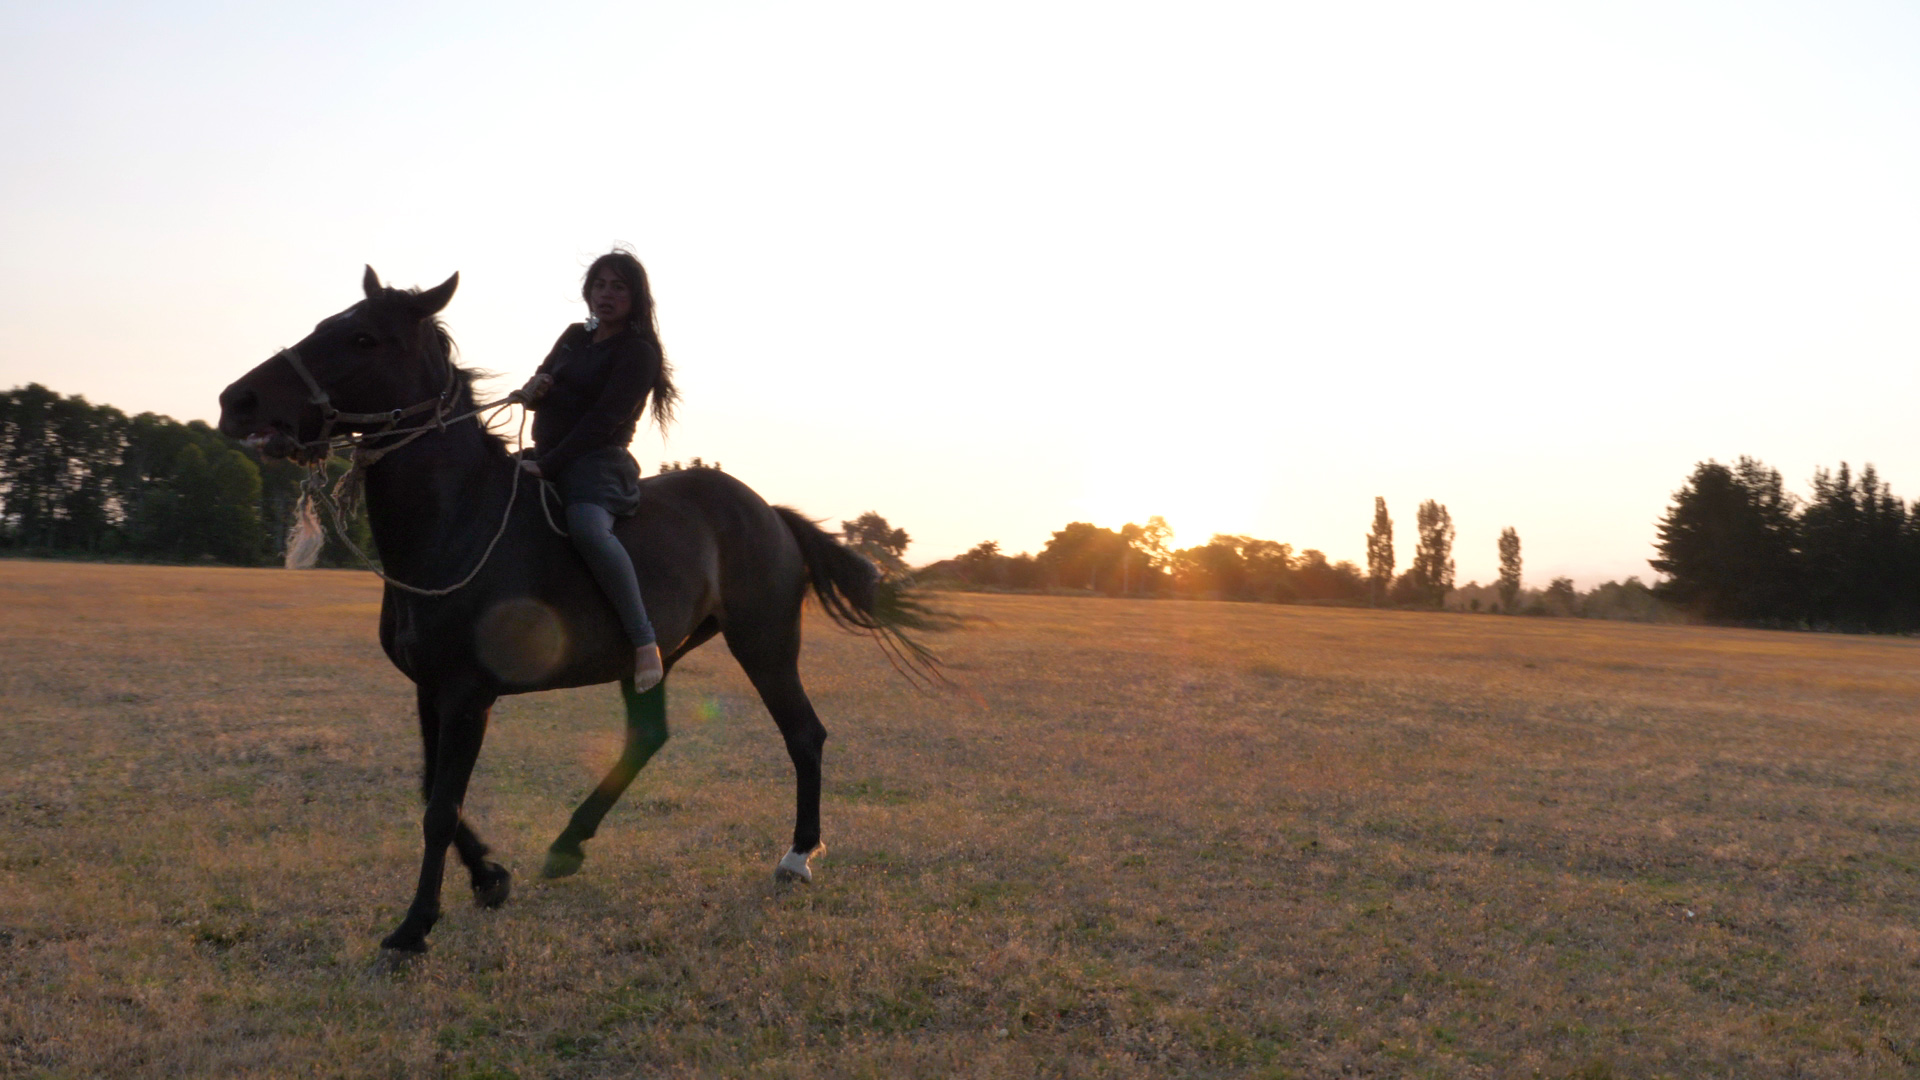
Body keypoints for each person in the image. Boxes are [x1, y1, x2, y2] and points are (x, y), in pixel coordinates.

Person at [514, 250, 679, 690]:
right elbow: (537, 385)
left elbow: (602, 421)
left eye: (618, 287)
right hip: (545, 451)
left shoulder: (638, 352)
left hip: (598, 463)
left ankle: (644, 641)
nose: (606, 295)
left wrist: (547, 466)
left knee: (588, 529)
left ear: (635, 297)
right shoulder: (573, 336)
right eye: (600, 285)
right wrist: (532, 391)